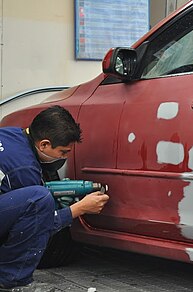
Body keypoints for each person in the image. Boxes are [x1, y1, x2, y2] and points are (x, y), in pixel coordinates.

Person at [0, 106, 110, 291]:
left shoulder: (11, 134)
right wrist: (79, 209)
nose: (65, 157)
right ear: (43, 144)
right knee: (39, 199)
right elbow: (38, 224)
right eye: (63, 152)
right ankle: (10, 280)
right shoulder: (24, 170)